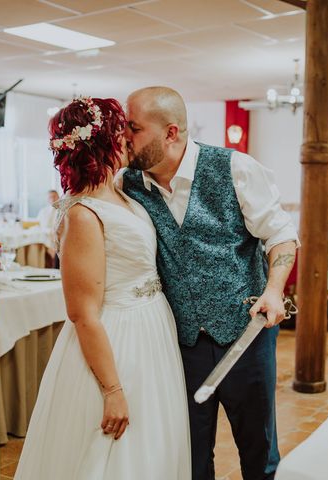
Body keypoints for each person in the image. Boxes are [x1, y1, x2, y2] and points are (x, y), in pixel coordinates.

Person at [120, 86, 298, 480]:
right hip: (180, 344)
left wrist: (274, 290)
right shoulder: (127, 183)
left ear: (171, 132)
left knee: (259, 449)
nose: (124, 137)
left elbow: (281, 234)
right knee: (190, 453)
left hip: (244, 337)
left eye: (133, 128)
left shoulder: (236, 168)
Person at [15, 97, 191, 479]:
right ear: (101, 141)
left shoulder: (123, 194)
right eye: (121, 129)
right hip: (118, 337)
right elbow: (82, 313)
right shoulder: (83, 213)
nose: (128, 136)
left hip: (152, 331)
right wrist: (112, 389)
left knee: (155, 446)